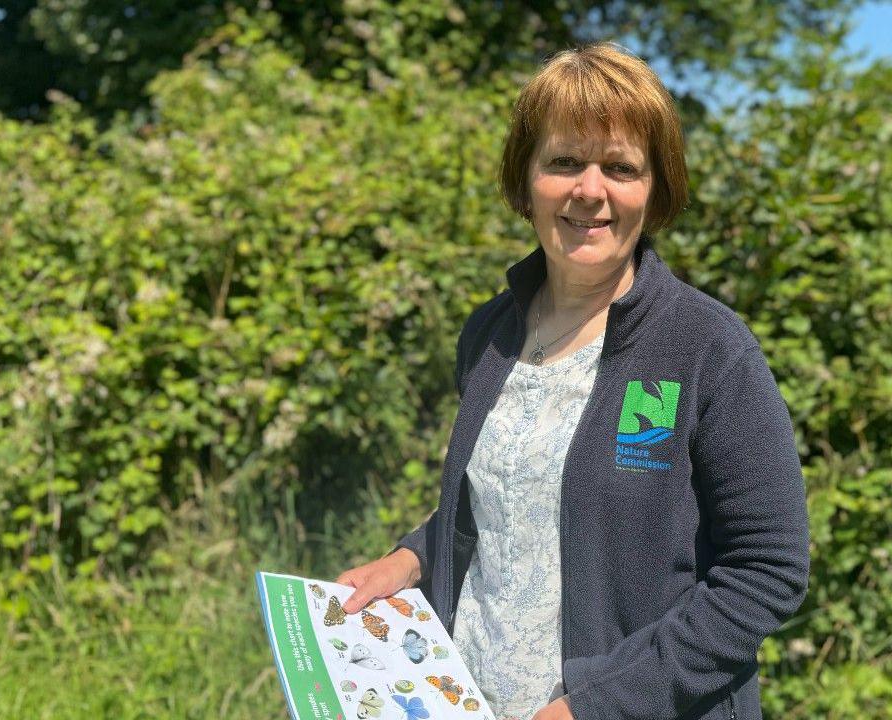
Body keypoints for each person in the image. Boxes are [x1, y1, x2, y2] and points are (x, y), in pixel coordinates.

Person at [335, 42, 809, 720]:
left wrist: (596, 706)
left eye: (619, 166)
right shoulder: (489, 334)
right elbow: (508, 504)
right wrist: (409, 560)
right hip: (473, 699)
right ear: (526, 179)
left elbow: (767, 573)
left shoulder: (707, 348)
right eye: (564, 161)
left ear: (656, 188)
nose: (590, 189)